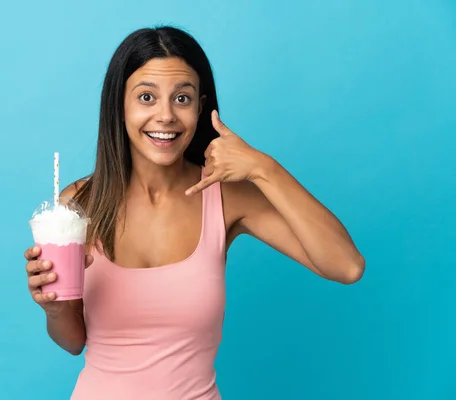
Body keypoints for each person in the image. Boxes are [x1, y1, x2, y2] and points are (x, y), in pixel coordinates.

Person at [23, 26, 365, 400]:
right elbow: (73, 342)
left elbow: (346, 266)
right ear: (119, 104)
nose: (166, 116)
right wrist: (53, 309)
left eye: (181, 98)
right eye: (147, 97)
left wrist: (264, 169)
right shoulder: (81, 202)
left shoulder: (228, 196)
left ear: (201, 107)